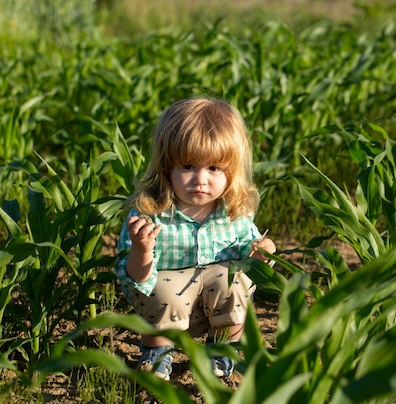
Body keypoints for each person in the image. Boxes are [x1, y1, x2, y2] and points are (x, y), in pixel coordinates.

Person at [115, 97, 276, 380]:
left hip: (215, 307)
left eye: (213, 168)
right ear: (166, 168)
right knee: (163, 289)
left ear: (231, 171)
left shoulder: (233, 214)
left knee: (236, 280)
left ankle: (223, 350)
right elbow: (135, 282)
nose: (200, 179)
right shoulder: (149, 216)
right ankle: (157, 353)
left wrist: (265, 251)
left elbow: (254, 263)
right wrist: (142, 249)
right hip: (167, 311)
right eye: (188, 166)